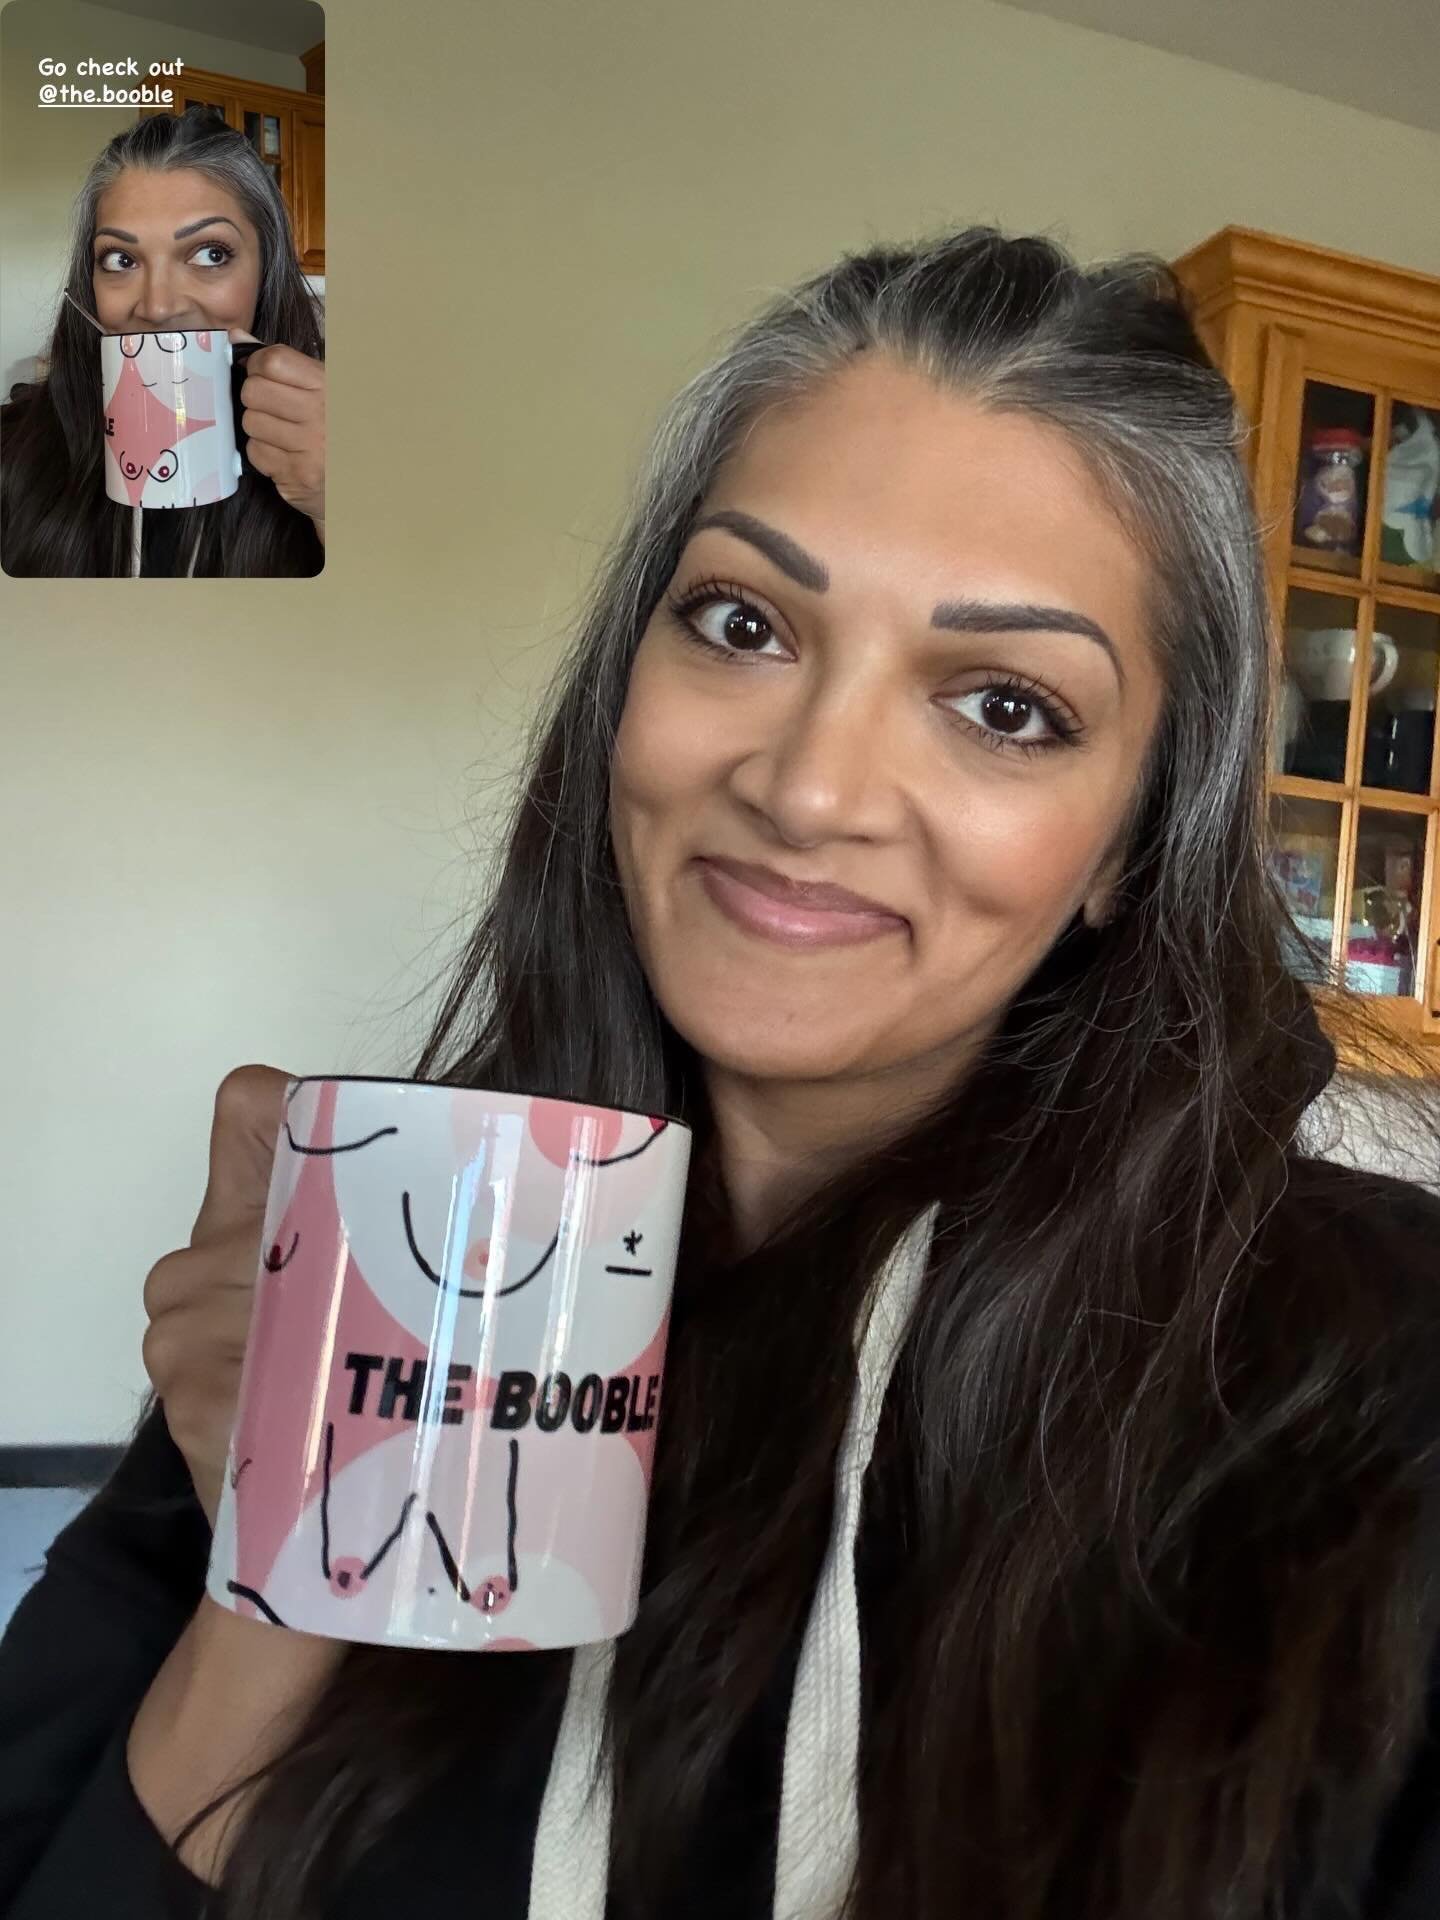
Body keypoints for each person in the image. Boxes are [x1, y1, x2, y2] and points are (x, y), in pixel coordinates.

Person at [3, 224, 1440, 1920]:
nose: (814, 787)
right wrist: (291, 1574)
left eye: (1005, 707)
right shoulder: (374, 1275)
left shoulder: (1373, 1394)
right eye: (744, 621)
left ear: (1131, 841)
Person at [0, 106, 325, 577]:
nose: (157, 307)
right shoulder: (13, 450)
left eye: (211, 254)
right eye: (120, 260)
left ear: (265, 271)